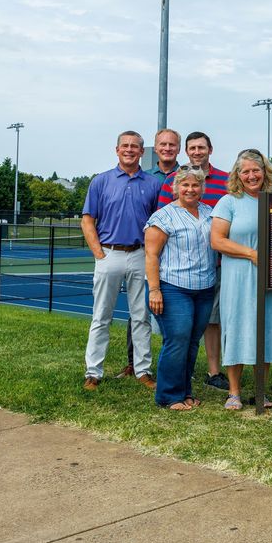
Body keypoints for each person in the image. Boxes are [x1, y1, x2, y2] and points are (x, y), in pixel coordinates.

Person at [80, 131, 160, 391]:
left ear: (141, 151)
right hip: (109, 253)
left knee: (141, 316)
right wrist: (99, 254)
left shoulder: (153, 184)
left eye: (134, 146)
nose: (129, 150)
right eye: (124, 146)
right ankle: (93, 372)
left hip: (140, 255)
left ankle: (143, 370)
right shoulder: (101, 181)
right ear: (116, 150)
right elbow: (88, 219)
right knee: (101, 316)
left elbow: (158, 223)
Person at [210, 149, 272, 411]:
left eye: (256, 170)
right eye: (246, 171)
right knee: (238, 329)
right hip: (239, 276)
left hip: (270, 278)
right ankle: (234, 392)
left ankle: (259, 391)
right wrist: (251, 253)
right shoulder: (229, 201)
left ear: (265, 172)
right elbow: (217, 240)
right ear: (238, 175)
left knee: (265, 330)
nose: (252, 175)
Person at [157, 131, 230, 392]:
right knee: (179, 334)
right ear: (186, 151)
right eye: (192, 148)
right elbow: (163, 221)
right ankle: (171, 388)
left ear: (210, 149)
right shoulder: (172, 181)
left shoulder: (225, 180)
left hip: (215, 266)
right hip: (177, 273)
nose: (197, 151)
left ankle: (213, 371)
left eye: (202, 147)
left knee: (211, 321)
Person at [144, 165, 216, 410]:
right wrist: (154, 290)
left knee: (192, 341)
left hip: (205, 288)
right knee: (177, 339)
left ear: (202, 188)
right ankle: (168, 396)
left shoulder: (209, 213)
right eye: (185, 185)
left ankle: (185, 391)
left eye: (195, 185)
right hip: (173, 287)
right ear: (176, 188)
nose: (190, 189)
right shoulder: (163, 216)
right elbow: (151, 255)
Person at [119, 127, 181, 380]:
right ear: (155, 148)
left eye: (172, 145)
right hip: (148, 252)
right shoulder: (146, 178)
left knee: (176, 312)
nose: (167, 148)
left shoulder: (185, 176)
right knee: (139, 309)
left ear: (178, 148)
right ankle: (134, 364)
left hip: (177, 253)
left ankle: (175, 367)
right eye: (162, 144)